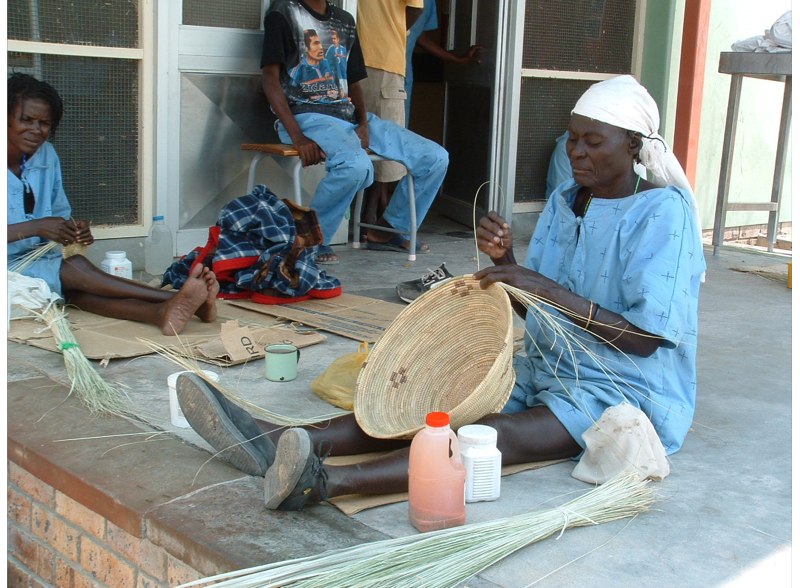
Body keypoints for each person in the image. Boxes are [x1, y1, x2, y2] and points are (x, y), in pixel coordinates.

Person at [176, 74, 705, 510]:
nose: (576, 153)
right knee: (434, 403)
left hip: (620, 390)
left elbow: (645, 340)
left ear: (633, 145)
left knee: (491, 436)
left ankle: (326, 483)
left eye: (594, 142)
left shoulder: (664, 213)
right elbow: (540, 308)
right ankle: (278, 439)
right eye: (572, 138)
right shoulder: (568, 200)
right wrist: (506, 265)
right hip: (546, 366)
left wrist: (537, 283)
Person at [7, 73, 220, 336]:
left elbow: (59, 214)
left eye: (44, 123)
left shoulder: (46, 155)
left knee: (76, 291)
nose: (36, 130)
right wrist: (36, 227)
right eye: (26, 120)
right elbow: (38, 225)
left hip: (36, 263)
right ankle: (174, 297)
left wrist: (71, 231)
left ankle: (165, 312)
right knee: (75, 269)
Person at [261, 0, 448, 265]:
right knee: (356, 167)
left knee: (435, 157)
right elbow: (270, 78)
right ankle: (312, 239)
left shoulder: (345, 20)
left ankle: (390, 229)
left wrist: (363, 123)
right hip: (305, 117)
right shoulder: (283, 12)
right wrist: (297, 137)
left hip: (347, 117)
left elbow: (354, 81)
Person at [355, 1, 423, 239]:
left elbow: (416, 8)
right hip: (364, 56)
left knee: (384, 149)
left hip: (378, 57)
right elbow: (416, 8)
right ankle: (371, 219)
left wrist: (393, 28)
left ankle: (373, 218)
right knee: (381, 148)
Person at [404, 0, 481, 126]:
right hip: (379, 67)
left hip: (402, 76)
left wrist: (457, 59)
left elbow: (417, 34)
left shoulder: (429, 3)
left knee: (394, 129)